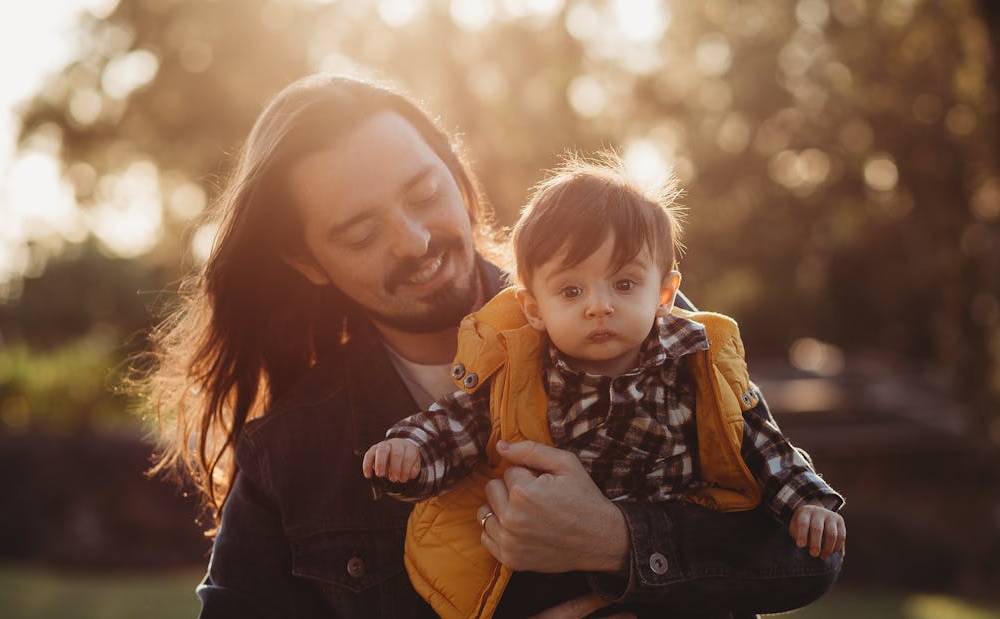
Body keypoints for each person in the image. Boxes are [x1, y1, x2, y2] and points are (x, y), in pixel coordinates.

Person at [137, 73, 843, 619]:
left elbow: (808, 554)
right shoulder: (290, 450)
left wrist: (618, 539)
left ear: (458, 173)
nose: (414, 240)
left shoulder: (643, 328)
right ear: (309, 262)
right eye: (359, 232)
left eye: (423, 191)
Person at [363, 156, 846, 618]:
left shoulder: (698, 365)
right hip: (554, 580)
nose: (598, 306)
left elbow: (763, 445)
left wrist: (809, 502)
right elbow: (456, 424)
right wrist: (412, 452)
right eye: (571, 291)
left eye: (624, 284)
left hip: (679, 584)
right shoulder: (518, 375)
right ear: (534, 308)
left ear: (664, 293)